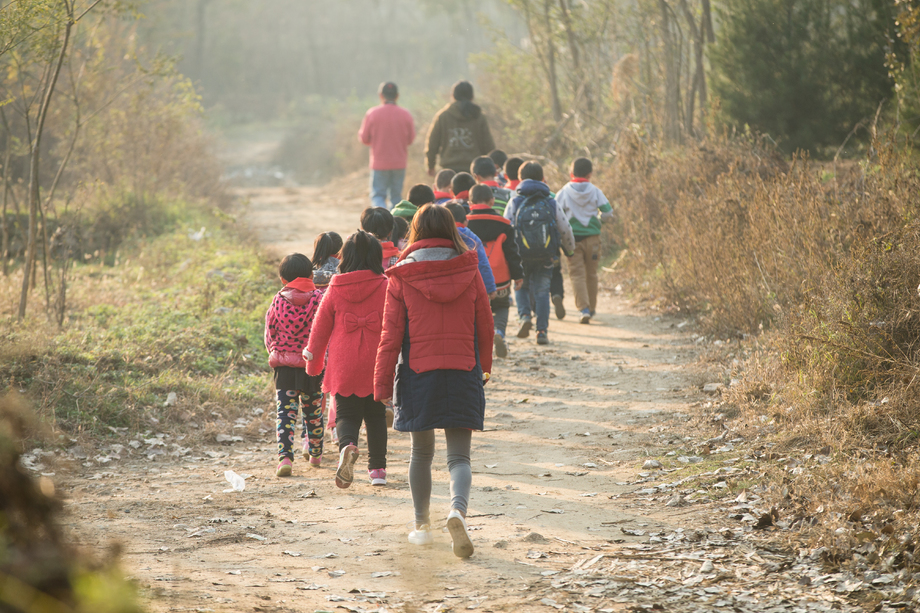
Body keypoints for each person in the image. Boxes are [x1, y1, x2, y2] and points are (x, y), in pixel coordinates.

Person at [374, 204, 494, 558]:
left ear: (415, 231)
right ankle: (457, 510)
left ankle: (422, 527)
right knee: (459, 458)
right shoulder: (469, 269)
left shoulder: (400, 276)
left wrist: (381, 386)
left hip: (417, 374)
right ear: (450, 229)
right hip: (462, 369)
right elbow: (485, 327)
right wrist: (483, 368)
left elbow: (390, 337)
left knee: (420, 453)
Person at [306, 232, 389, 488]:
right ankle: (377, 471)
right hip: (377, 361)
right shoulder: (386, 284)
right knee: (376, 416)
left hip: (344, 362)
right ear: (377, 257)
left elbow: (319, 330)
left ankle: (348, 446)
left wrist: (313, 364)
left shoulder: (336, 286)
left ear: (346, 258)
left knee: (346, 415)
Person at [264, 253, 325, 476]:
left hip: (284, 367)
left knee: (285, 414)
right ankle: (316, 454)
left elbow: (269, 331)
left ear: (282, 279)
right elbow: (324, 331)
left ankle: (285, 459)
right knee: (313, 411)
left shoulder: (278, 299)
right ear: (311, 275)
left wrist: (274, 352)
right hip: (312, 365)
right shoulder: (319, 299)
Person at [503, 162, 575, 346]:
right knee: (543, 291)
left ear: (520, 179)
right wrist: (569, 249)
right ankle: (541, 331)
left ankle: (525, 315)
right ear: (543, 179)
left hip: (521, 255)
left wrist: (507, 255)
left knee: (521, 286)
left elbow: (506, 228)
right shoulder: (551, 201)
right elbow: (565, 228)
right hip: (546, 255)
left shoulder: (515, 201)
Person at [466, 184, 524, 358]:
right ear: (492, 201)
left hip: (473, 277)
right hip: (500, 276)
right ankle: (499, 331)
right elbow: (512, 253)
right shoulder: (504, 224)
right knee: (501, 305)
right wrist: (518, 275)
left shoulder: (465, 223)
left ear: (470, 202)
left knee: (473, 309)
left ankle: (475, 343)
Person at [556, 157, 616, 323]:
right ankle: (592, 307)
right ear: (590, 174)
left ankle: (583, 309)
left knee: (577, 274)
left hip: (572, 240)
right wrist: (599, 221)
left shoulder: (564, 191)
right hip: (593, 239)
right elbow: (608, 212)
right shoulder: (595, 190)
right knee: (591, 273)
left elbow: (556, 212)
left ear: (571, 173)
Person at [358, 81, 416, 209]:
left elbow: (363, 138)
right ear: (397, 96)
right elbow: (411, 139)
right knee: (396, 197)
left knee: (378, 195)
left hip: (379, 163)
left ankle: (380, 222)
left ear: (381, 95)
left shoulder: (372, 114)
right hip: (399, 163)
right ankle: (394, 225)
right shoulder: (405, 114)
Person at [425, 80, 496, 175]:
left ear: (453, 96)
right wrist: (494, 166)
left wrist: (431, 166)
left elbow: (432, 144)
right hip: (475, 170)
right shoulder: (478, 116)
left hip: (449, 170)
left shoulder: (443, 116)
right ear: (472, 96)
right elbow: (488, 145)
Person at [444, 202, 497, 296]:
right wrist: (490, 288)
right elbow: (482, 263)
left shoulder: (438, 235)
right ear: (466, 222)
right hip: (469, 289)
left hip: (442, 288)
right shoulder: (472, 238)